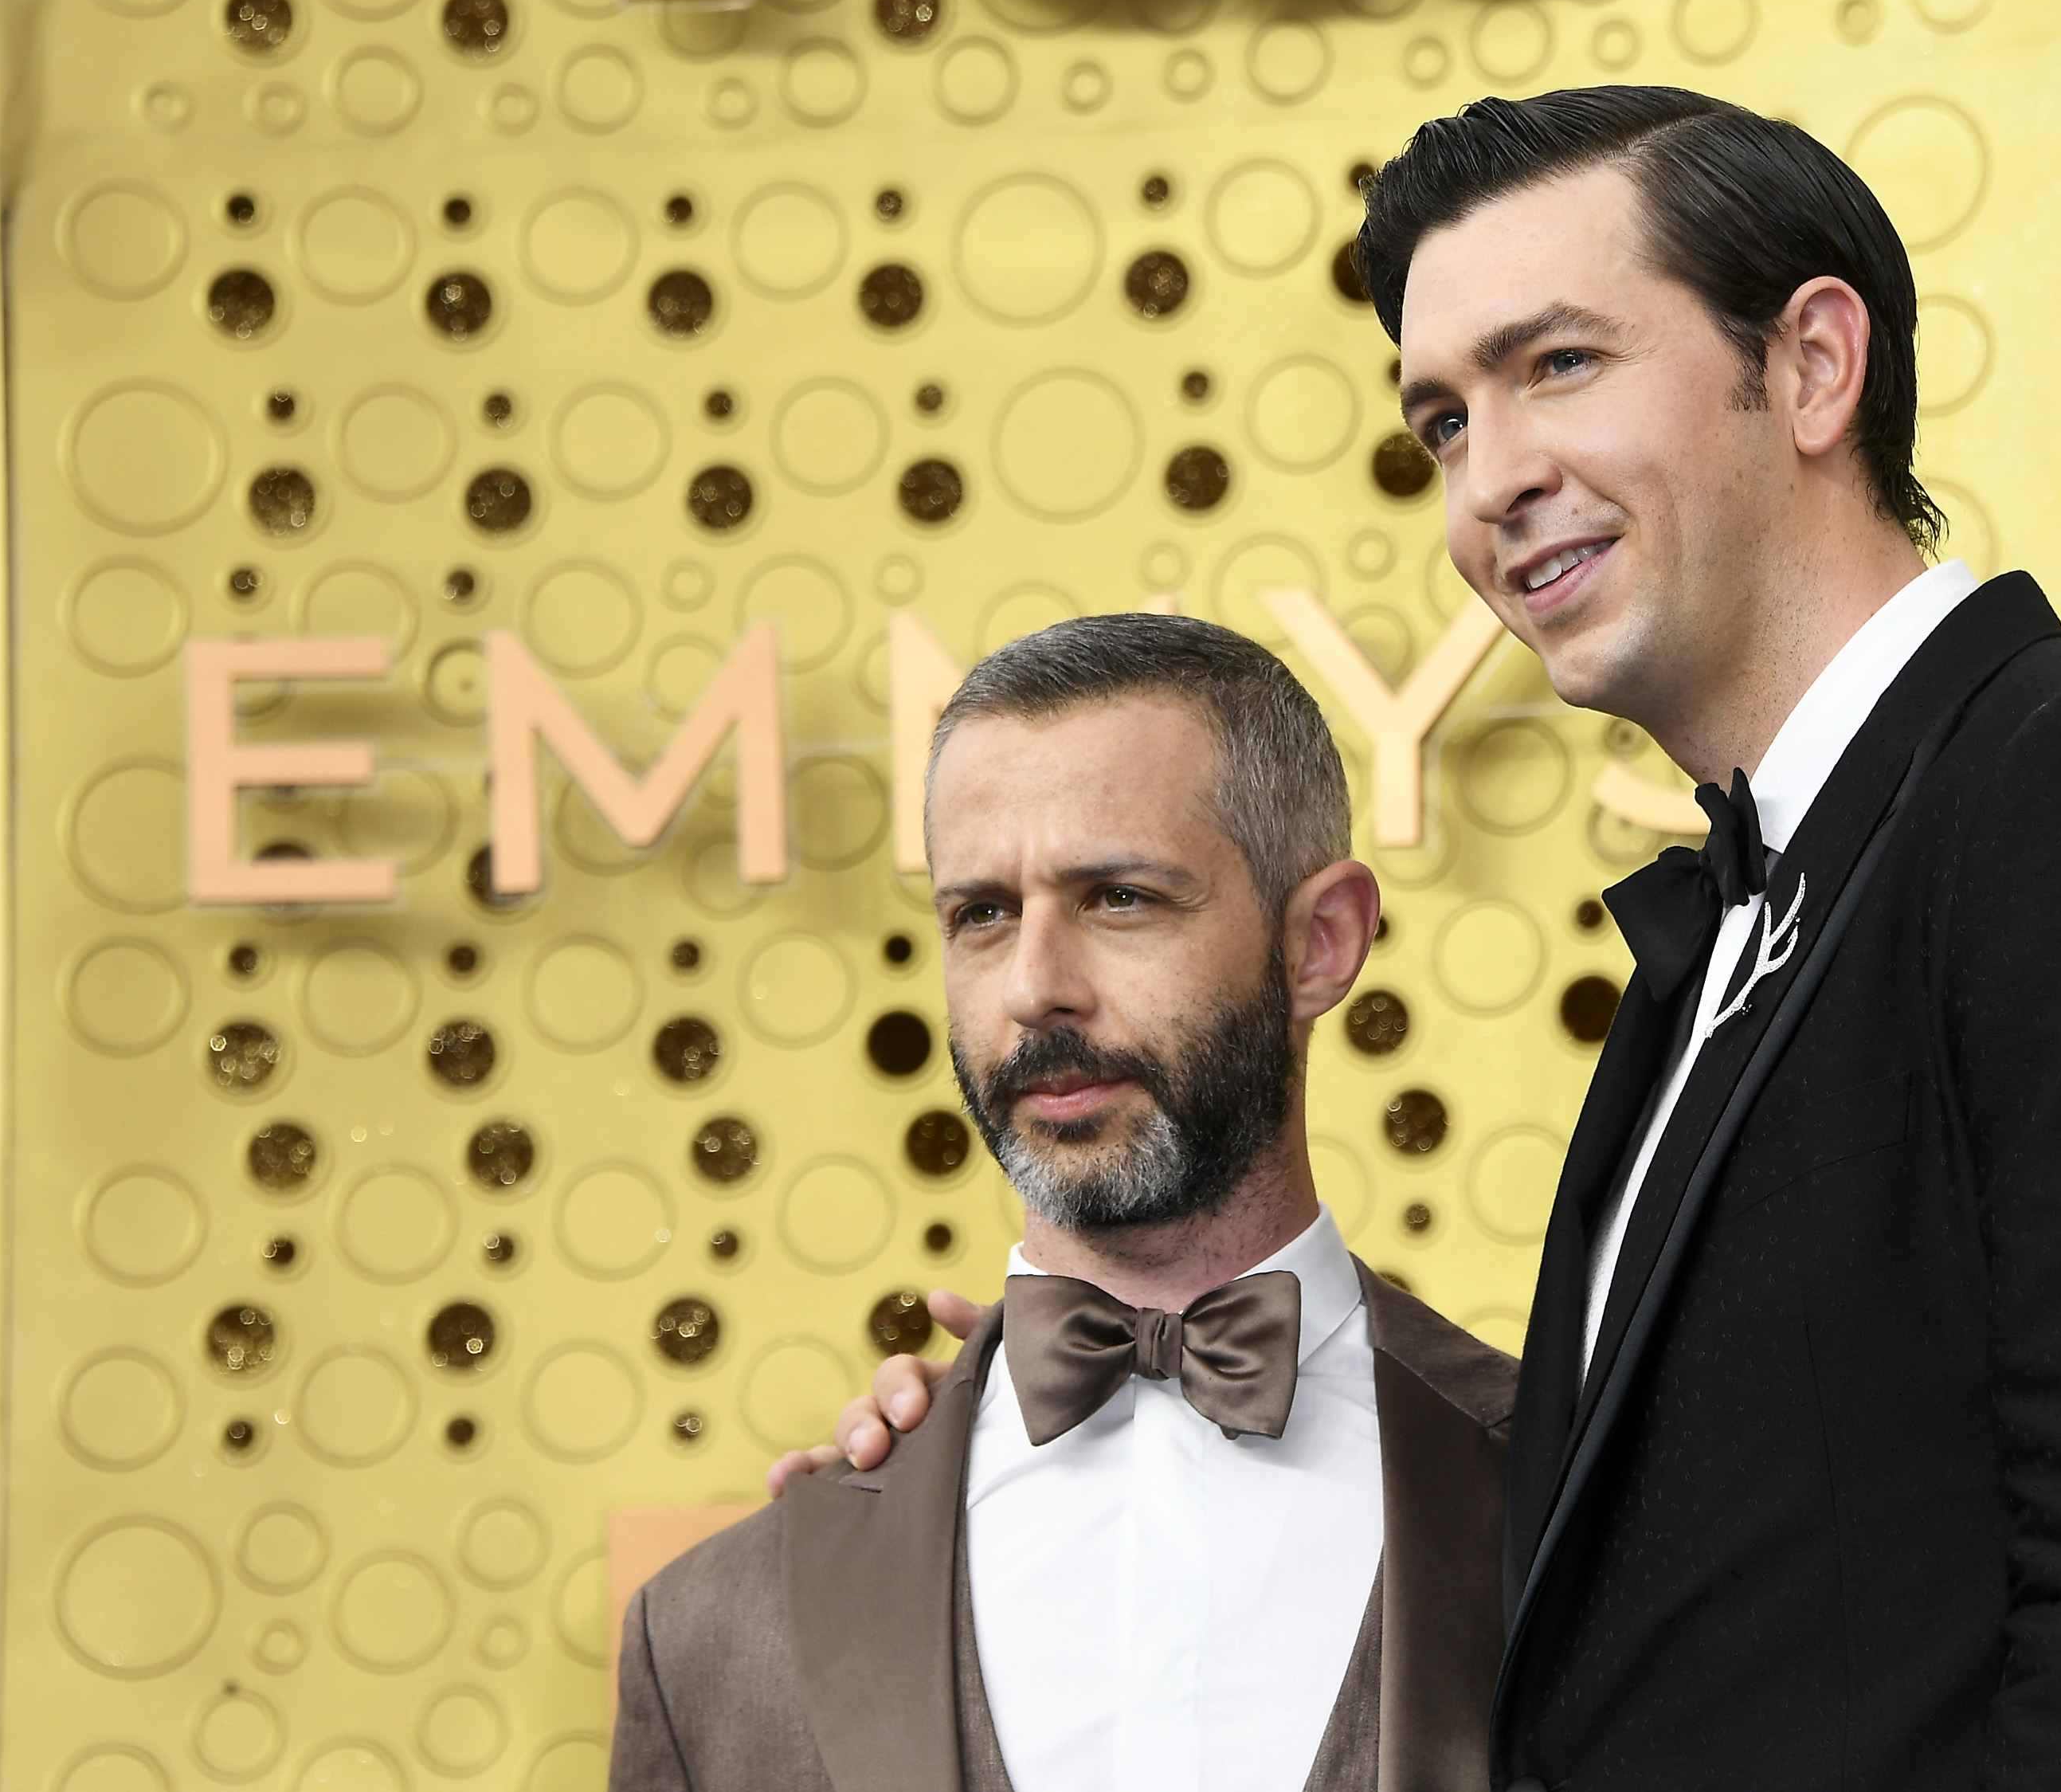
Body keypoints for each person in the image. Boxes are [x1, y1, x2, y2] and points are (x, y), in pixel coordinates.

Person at [786, 87, 2061, 1790]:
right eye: (1438, 420)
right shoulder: (1720, 948)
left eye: (1555, 364)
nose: (1491, 479)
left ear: (1809, 365)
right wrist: (1011, 1471)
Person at [616, 617, 1514, 1792]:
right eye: (981, 913)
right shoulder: (711, 1634)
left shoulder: (1589, 1500)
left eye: (1120, 898)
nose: (1036, 987)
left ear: (1321, 943)